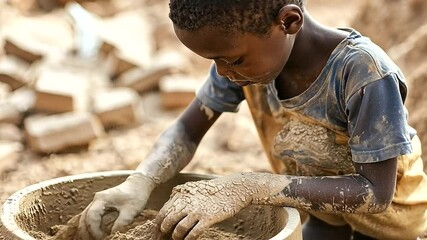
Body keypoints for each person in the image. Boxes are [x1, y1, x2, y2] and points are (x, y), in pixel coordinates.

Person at [77, 0, 427, 239]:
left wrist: (250, 186)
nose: (222, 72)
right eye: (213, 61)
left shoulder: (363, 73)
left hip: (387, 222)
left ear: (288, 21)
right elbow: (187, 129)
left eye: (232, 60)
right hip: (323, 212)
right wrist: (141, 181)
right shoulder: (247, 66)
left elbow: (376, 194)